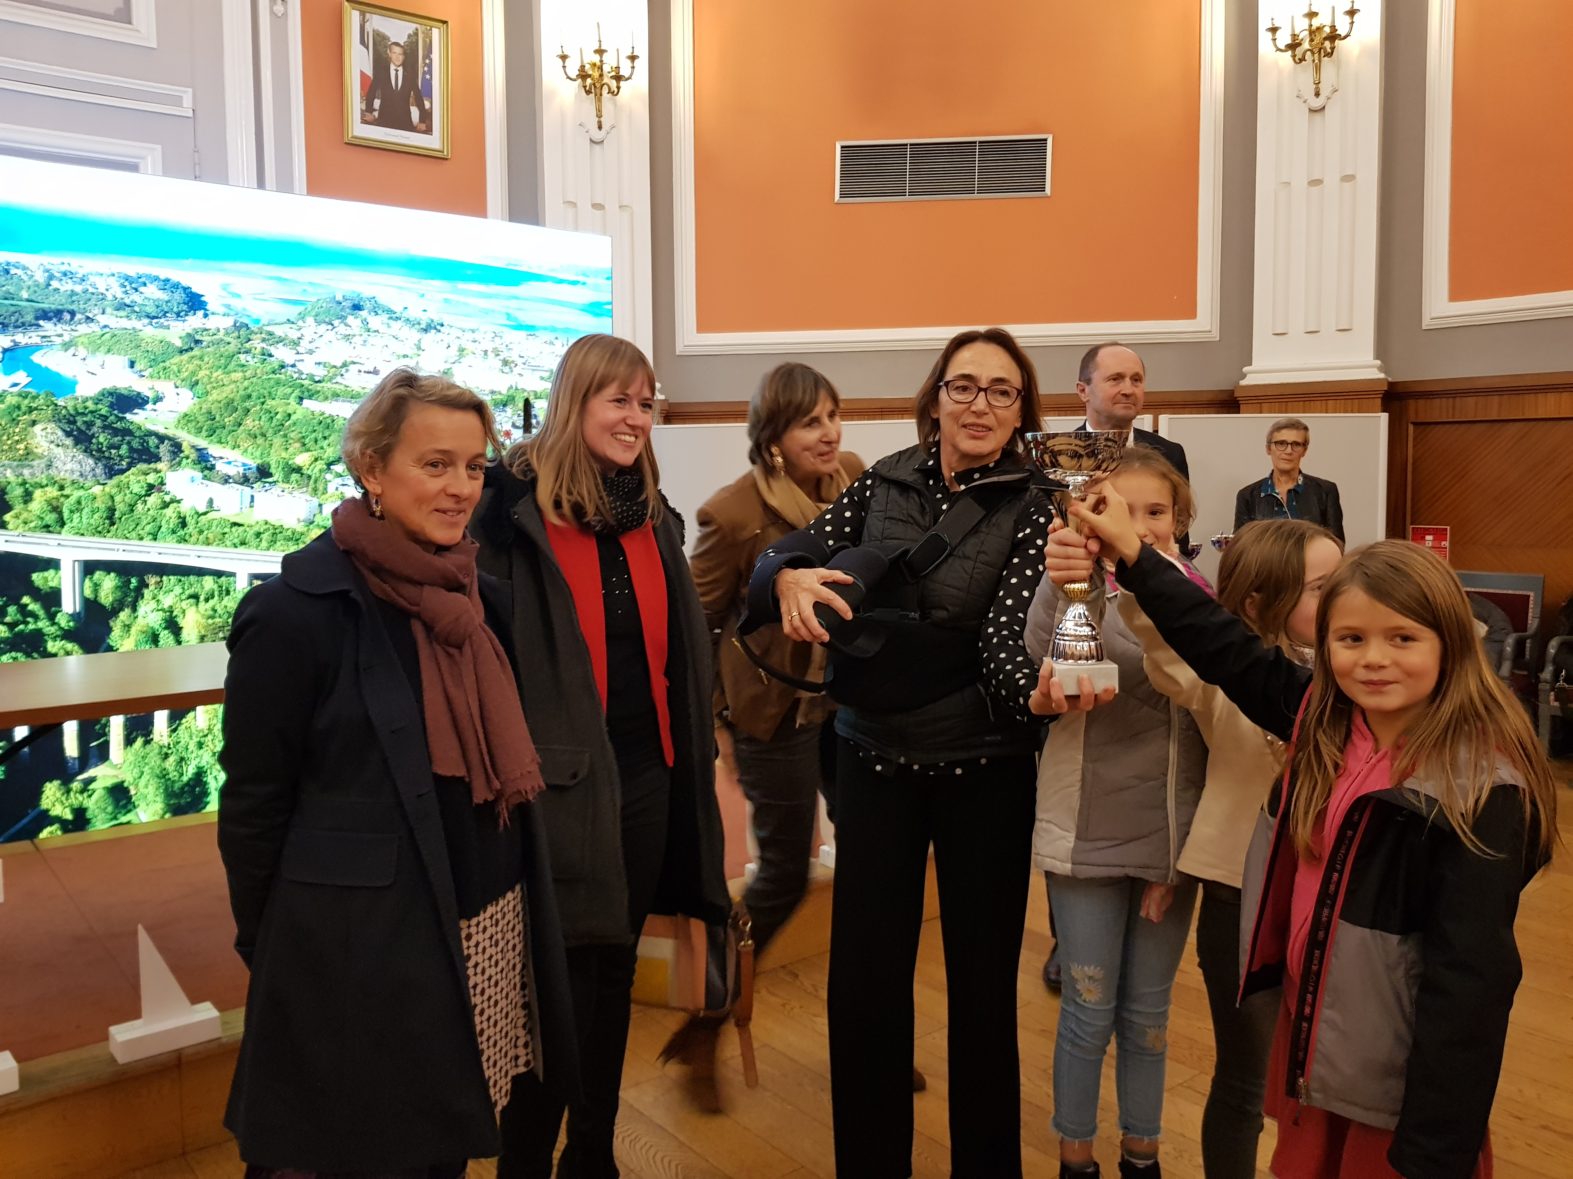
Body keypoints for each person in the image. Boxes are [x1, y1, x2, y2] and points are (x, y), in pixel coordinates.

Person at [1047, 499, 1559, 1179]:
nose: (1372, 659)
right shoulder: (1325, 717)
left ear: (1449, 643)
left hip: (1399, 1084)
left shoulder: (1478, 787)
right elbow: (1219, 645)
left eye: (1401, 638)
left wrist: (1435, 1148)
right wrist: (1136, 559)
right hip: (1319, 1044)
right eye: (1349, 639)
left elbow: (1471, 984)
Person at [746, 326, 1110, 1178]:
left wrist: (1019, 684)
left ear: (1022, 408)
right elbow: (781, 564)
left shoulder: (1036, 498)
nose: (978, 404)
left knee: (983, 994)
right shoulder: (881, 480)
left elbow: (995, 645)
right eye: (962, 386)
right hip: (870, 761)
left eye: (999, 390)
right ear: (935, 396)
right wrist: (791, 575)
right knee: (863, 988)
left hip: (985, 766)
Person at [218, 369, 573, 1177]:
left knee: (438, 1152)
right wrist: (272, 945)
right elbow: (253, 809)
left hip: (480, 925)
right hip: (357, 954)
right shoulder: (294, 613)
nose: (459, 489)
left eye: (475, 467)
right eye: (435, 464)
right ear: (372, 470)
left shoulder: (481, 598)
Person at [472, 333, 730, 1179]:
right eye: (619, 399)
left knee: (613, 970)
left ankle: (591, 1152)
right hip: (553, 789)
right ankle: (525, 1161)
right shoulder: (510, 522)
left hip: (645, 777)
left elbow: (671, 657)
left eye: (647, 402)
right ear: (574, 399)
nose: (636, 417)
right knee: (550, 988)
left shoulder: (650, 515)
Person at [1119, 518, 1343, 1179]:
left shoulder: (1353, 671)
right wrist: (1138, 565)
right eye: (1321, 587)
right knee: (1245, 1080)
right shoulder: (1224, 673)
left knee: (1328, 1080)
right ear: (1256, 602)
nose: (1340, 599)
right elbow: (1165, 632)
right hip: (1240, 897)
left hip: (1332, 906)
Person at [1026, 446, 1208, 1179]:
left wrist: (1185, 851)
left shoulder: (1201, 598)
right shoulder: (1076, 592)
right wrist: (1059, 579)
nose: (1140, 527)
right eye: (1119, 513)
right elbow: (1044, 651)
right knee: (1086, 1009)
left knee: (1148, 1017)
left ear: (1180, 518)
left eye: (1155, 512)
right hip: (1086, 837)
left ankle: (1142, 1153)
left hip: (1171, 840)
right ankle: (1076, 1156)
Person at [689, 363, 862, 955]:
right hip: (772, 713)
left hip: (846, 703)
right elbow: (699, 624)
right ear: (773, 440)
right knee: (786, 873)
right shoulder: (733, 513)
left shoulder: (857, 481)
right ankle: (719, 983)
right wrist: (718, 720)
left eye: (833, 416)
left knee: (870, 844)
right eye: (810, 422)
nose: (830, 433)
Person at [1233, 417, 1345, 542]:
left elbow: (1336, 545)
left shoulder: (1325, 491)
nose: (1288, 451)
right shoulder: (1248, 496)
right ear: (1268, 449)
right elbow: (1239, 548)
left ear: (1304, 451)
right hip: (1264, 562)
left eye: (1296, 444)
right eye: (1281, 444)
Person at [365, 40, 428, 132]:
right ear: (389, 53)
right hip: (384, 123)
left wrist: (422, 121)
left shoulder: (410, 75)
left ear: (404, 56)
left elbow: (418, 98)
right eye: (394, 53)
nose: (397, 57)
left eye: (400, 54)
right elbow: (371, 92)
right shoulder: (381, 72)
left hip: (405, 124)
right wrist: (368, 112)